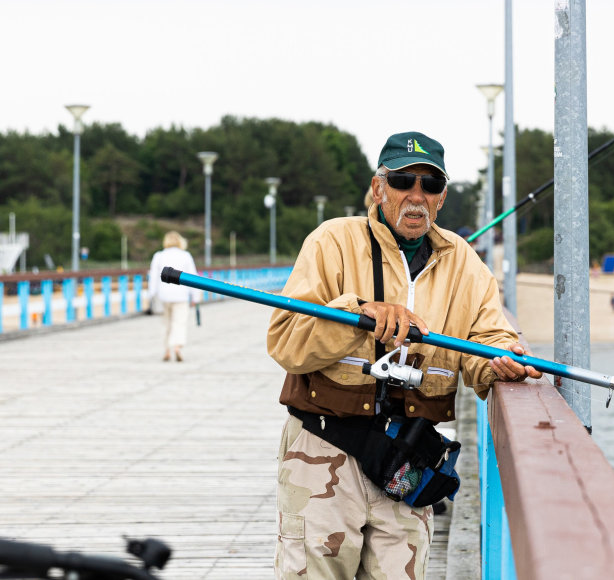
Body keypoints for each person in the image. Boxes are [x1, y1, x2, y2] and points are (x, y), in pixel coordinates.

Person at [266, 131, 541, 580]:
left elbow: (488, 338)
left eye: (429, 185)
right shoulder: (331, 241)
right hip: (322, 447)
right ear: (378, 188)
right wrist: (357, 314)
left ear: (442, 198)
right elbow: (285, 343)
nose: (416, 195)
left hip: (407, 456)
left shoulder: (465, 263)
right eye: (402, 181)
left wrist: (500, 361)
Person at [148, 231, 201, 362]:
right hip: (181, 295)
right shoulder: (186, 256)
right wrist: (195, 297)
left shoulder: (158, 256)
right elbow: (192, 276)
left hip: (163, 295)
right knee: (179, 322)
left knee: (166, 323)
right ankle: (177, 347)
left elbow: (153, 276)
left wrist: (151, 295)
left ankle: (167, 350)